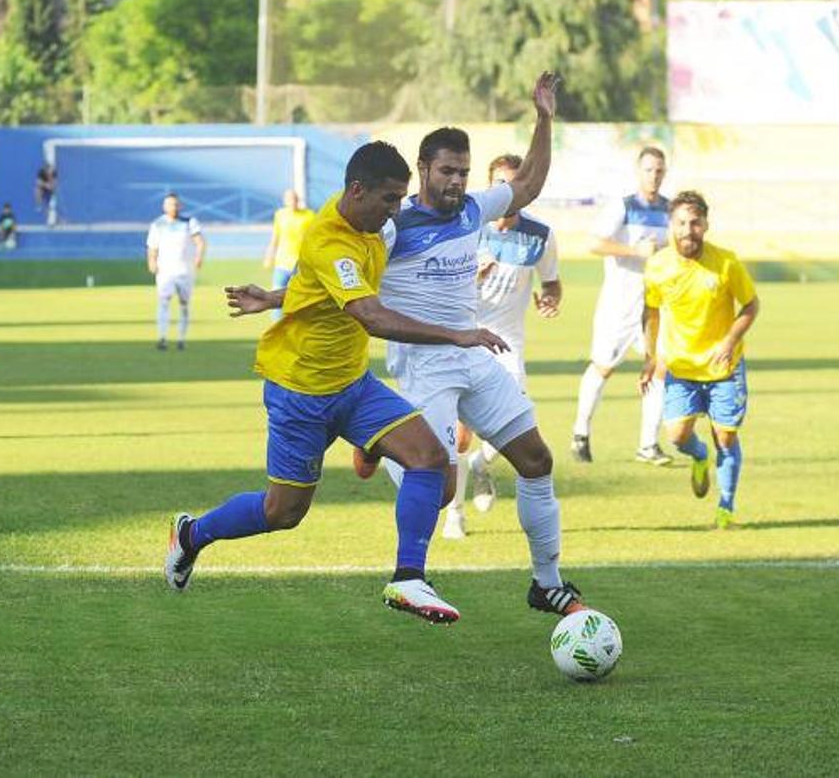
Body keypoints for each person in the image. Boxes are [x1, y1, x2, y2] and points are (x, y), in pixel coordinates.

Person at [164, 141, 510, 624]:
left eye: (400, 200)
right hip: (300, 392)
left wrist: (273, 297)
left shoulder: (367, 223)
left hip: (352, 385)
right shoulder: (329, 238)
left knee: (430, 459)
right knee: (283, 512)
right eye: (389, 200)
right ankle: (192, 533)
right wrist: (460, 334)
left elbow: (321, 288)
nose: (395, 212)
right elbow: (370, 315)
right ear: (357, 190)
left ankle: (409, 578)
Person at [361, 81, 590, 618]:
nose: (458, 182)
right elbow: (340, 287)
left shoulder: (471, 211)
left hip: (473, 356)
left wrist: (544, 119)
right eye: (447, 172)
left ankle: (546, 582)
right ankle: (382, 441)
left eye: (464, 172)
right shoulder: (393, 227)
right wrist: (275, 297)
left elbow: (528, 185)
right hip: (424, 365)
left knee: (537, 460)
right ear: (423, 169)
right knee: (439, 486)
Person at [639, 190, 760, 529]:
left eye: (694, 223)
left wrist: (730, 339)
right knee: (677, 436)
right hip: (681, 367)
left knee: (726, 438)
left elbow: (751, 305)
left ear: (706, 225)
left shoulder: (726, 263)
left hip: (725, 368)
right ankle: (699, 455)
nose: (687, 230)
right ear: (670, 226)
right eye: (680, 223)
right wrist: (650, 358)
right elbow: (651, 312)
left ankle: (726, 507)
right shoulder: (658, 266)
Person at [455, 154, 562, 530]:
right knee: (461, 434)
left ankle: (482, 465)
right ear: (489, 188)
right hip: (463, 340)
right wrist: (471, 279)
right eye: (500, 184)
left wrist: (551, 298)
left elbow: (551, 281)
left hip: (507, 347)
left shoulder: (541, 235)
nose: (509, 191)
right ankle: (455, 514)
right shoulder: (466, 229)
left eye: (515, 184)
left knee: (515, 428)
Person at [571, 146, 673, 467]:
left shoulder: (671, 210)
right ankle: (580, 433)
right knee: (603, 367)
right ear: (638, 172)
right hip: (620, 304)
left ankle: (648, 445)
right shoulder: (624, 206)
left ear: (665, 172)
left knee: (660, 367)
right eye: (648, 170)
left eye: (658, 170)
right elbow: (593, 242)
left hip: (655, 305)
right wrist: (632, 250)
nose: (653, 176)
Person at [146, 193, 206, 351]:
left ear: (180, 206)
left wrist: (199, 256)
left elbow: (200, 242)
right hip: (165, 271)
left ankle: (181, 338)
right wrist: (152, 261)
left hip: (185, 271)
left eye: (175, 204)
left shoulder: (189, 222)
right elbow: (152, 246)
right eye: (169, 204)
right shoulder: (158, 224)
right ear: (164, 206)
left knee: (184, 304)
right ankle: (162, 337)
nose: (173, 207)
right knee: (164, 302)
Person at [262, 189, 315, 290]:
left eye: (294, 199)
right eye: (289, 199)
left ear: (298, 200)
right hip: (282, 262)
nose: (292, 202)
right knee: (276, 293)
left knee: (301, 295)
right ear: (285, 201)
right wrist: (269, 256)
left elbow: (314, 238)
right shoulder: (280, 215)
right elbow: (275, 238)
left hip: (301, 264)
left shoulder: (309, 215)